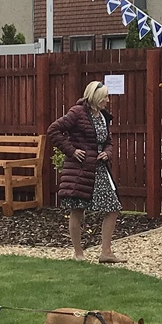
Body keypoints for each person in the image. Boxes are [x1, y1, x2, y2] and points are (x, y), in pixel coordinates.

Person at [47, 82, 121, 263]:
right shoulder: (77, 112)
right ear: (96, 97)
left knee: (113, 207)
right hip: (80, 170)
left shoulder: (103, 116)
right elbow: (53, 130)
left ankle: (106, 252)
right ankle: (78, 253)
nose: (108, 100)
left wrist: (107, 152)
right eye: (105, 97)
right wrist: (71, 151)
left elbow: (108, 141)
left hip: (100, 169)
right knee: (77, 210)